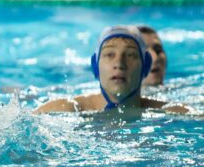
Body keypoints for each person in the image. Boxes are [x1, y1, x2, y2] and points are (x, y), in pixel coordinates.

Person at [34, 26, 187, 114]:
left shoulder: (171, 113)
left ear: (145, 66)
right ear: (96, 66)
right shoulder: (65, 110)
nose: (119, 63)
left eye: (130, 55)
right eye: (109, 54)